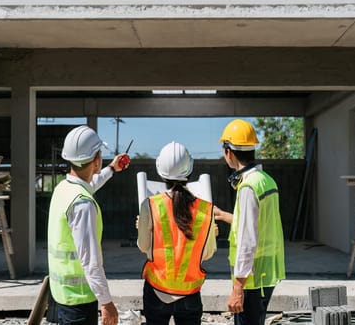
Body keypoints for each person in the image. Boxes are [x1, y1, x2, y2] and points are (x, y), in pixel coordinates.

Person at [48, 125, 128, 325]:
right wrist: (107, 303)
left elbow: (88, 184)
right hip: (79, 302)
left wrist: (111, 169)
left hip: (60, 295)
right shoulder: (83, 204)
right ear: (96, 160)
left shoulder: (63, 188)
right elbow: (91, 262)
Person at [213, 119, 286, 325]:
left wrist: (238, 288)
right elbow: (257, 223)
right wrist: (224, 215)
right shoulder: (265, 180)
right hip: (265, 274)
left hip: (252, 280)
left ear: (229, 152)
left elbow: (248, 240)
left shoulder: (247, 187)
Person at [137, 141, 217, 325]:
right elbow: (208, 253)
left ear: (160, 171)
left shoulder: (150, 205)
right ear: (189, 171)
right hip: (190, 294)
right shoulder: (206, 209)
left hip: (157, 291)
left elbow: (143, 246)